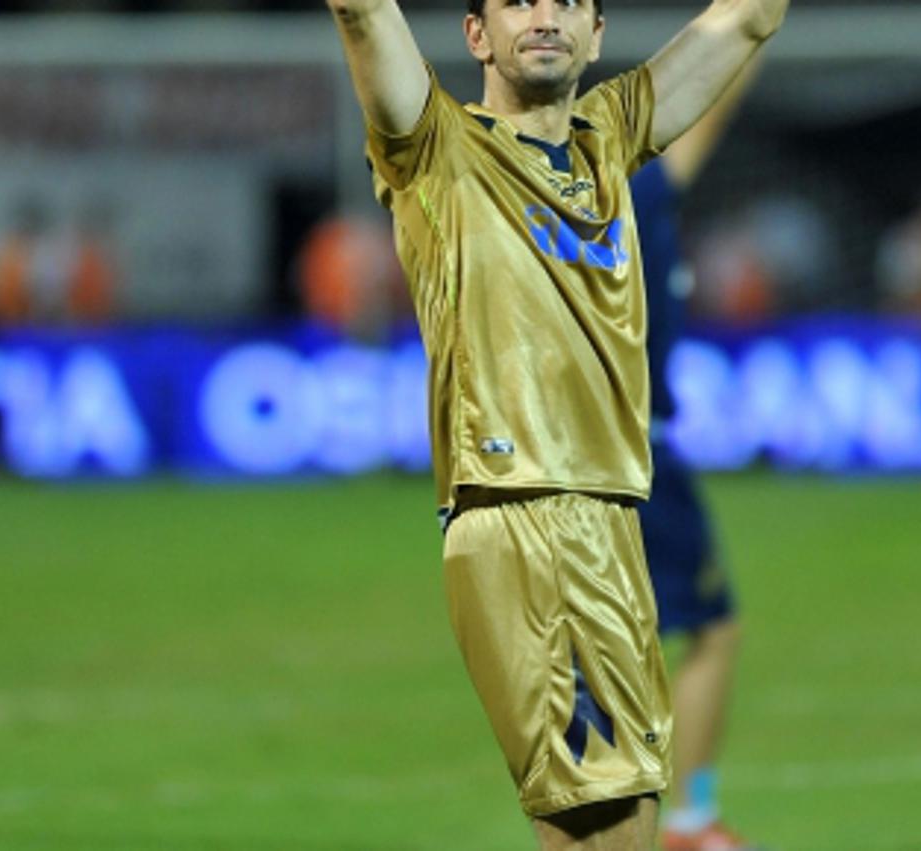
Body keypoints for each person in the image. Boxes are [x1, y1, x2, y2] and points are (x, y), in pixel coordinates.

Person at [325, 0, 788, 847]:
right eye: (519, 1)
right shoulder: (435, 146)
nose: (546, 14)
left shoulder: (612, 136)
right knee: (605, 827)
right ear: (476, 35)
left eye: (570, 1)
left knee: (622, 825)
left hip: (613, 521)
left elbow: (749, 21)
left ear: (597, 35)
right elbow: (361, 14)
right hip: (524, 516)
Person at [627, 61, 763, 851]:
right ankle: (690, 818)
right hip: (635, 450)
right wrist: (748, 30)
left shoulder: (545, 193)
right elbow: (702, 111)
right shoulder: (636, 184)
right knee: (711, 626)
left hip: (569, 453)